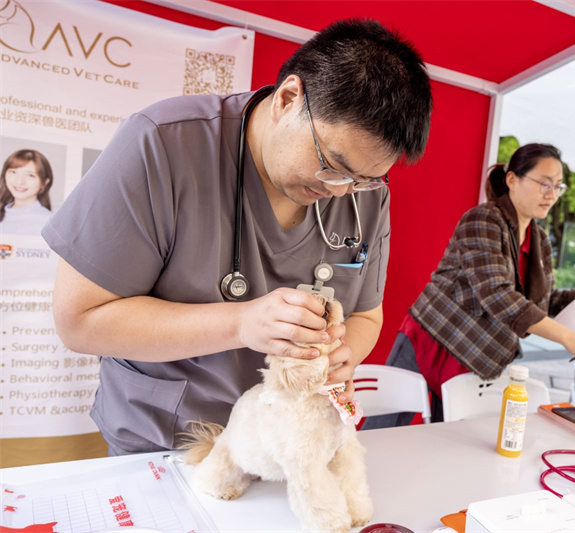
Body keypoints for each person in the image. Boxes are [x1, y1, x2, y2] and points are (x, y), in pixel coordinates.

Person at [43, 19, 433, 455]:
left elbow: (366, 316)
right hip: (168, 442)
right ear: (288, 99)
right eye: (332, 163)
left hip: (283, 443)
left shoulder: (366, 195)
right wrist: (242, 324)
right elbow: (79, 321)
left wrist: (345, 354)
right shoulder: (163, 144)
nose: (340, 190)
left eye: (362, 179)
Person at [362, 143, 575, 428]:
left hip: (475, 352)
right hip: (432, 338)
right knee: (382, 429)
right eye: (543, 183)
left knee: (450, 436)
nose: (551, 194)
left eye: (557, 186)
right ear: (512, 180)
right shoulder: (483, 220)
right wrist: (568, 338)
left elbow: (541, 301)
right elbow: (498, 295)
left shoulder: (539, 239)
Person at [0, 149, 54, 235]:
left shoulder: (49, 224)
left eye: (30, 175)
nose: (19, 182)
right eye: (13, 172)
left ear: (44, 183)